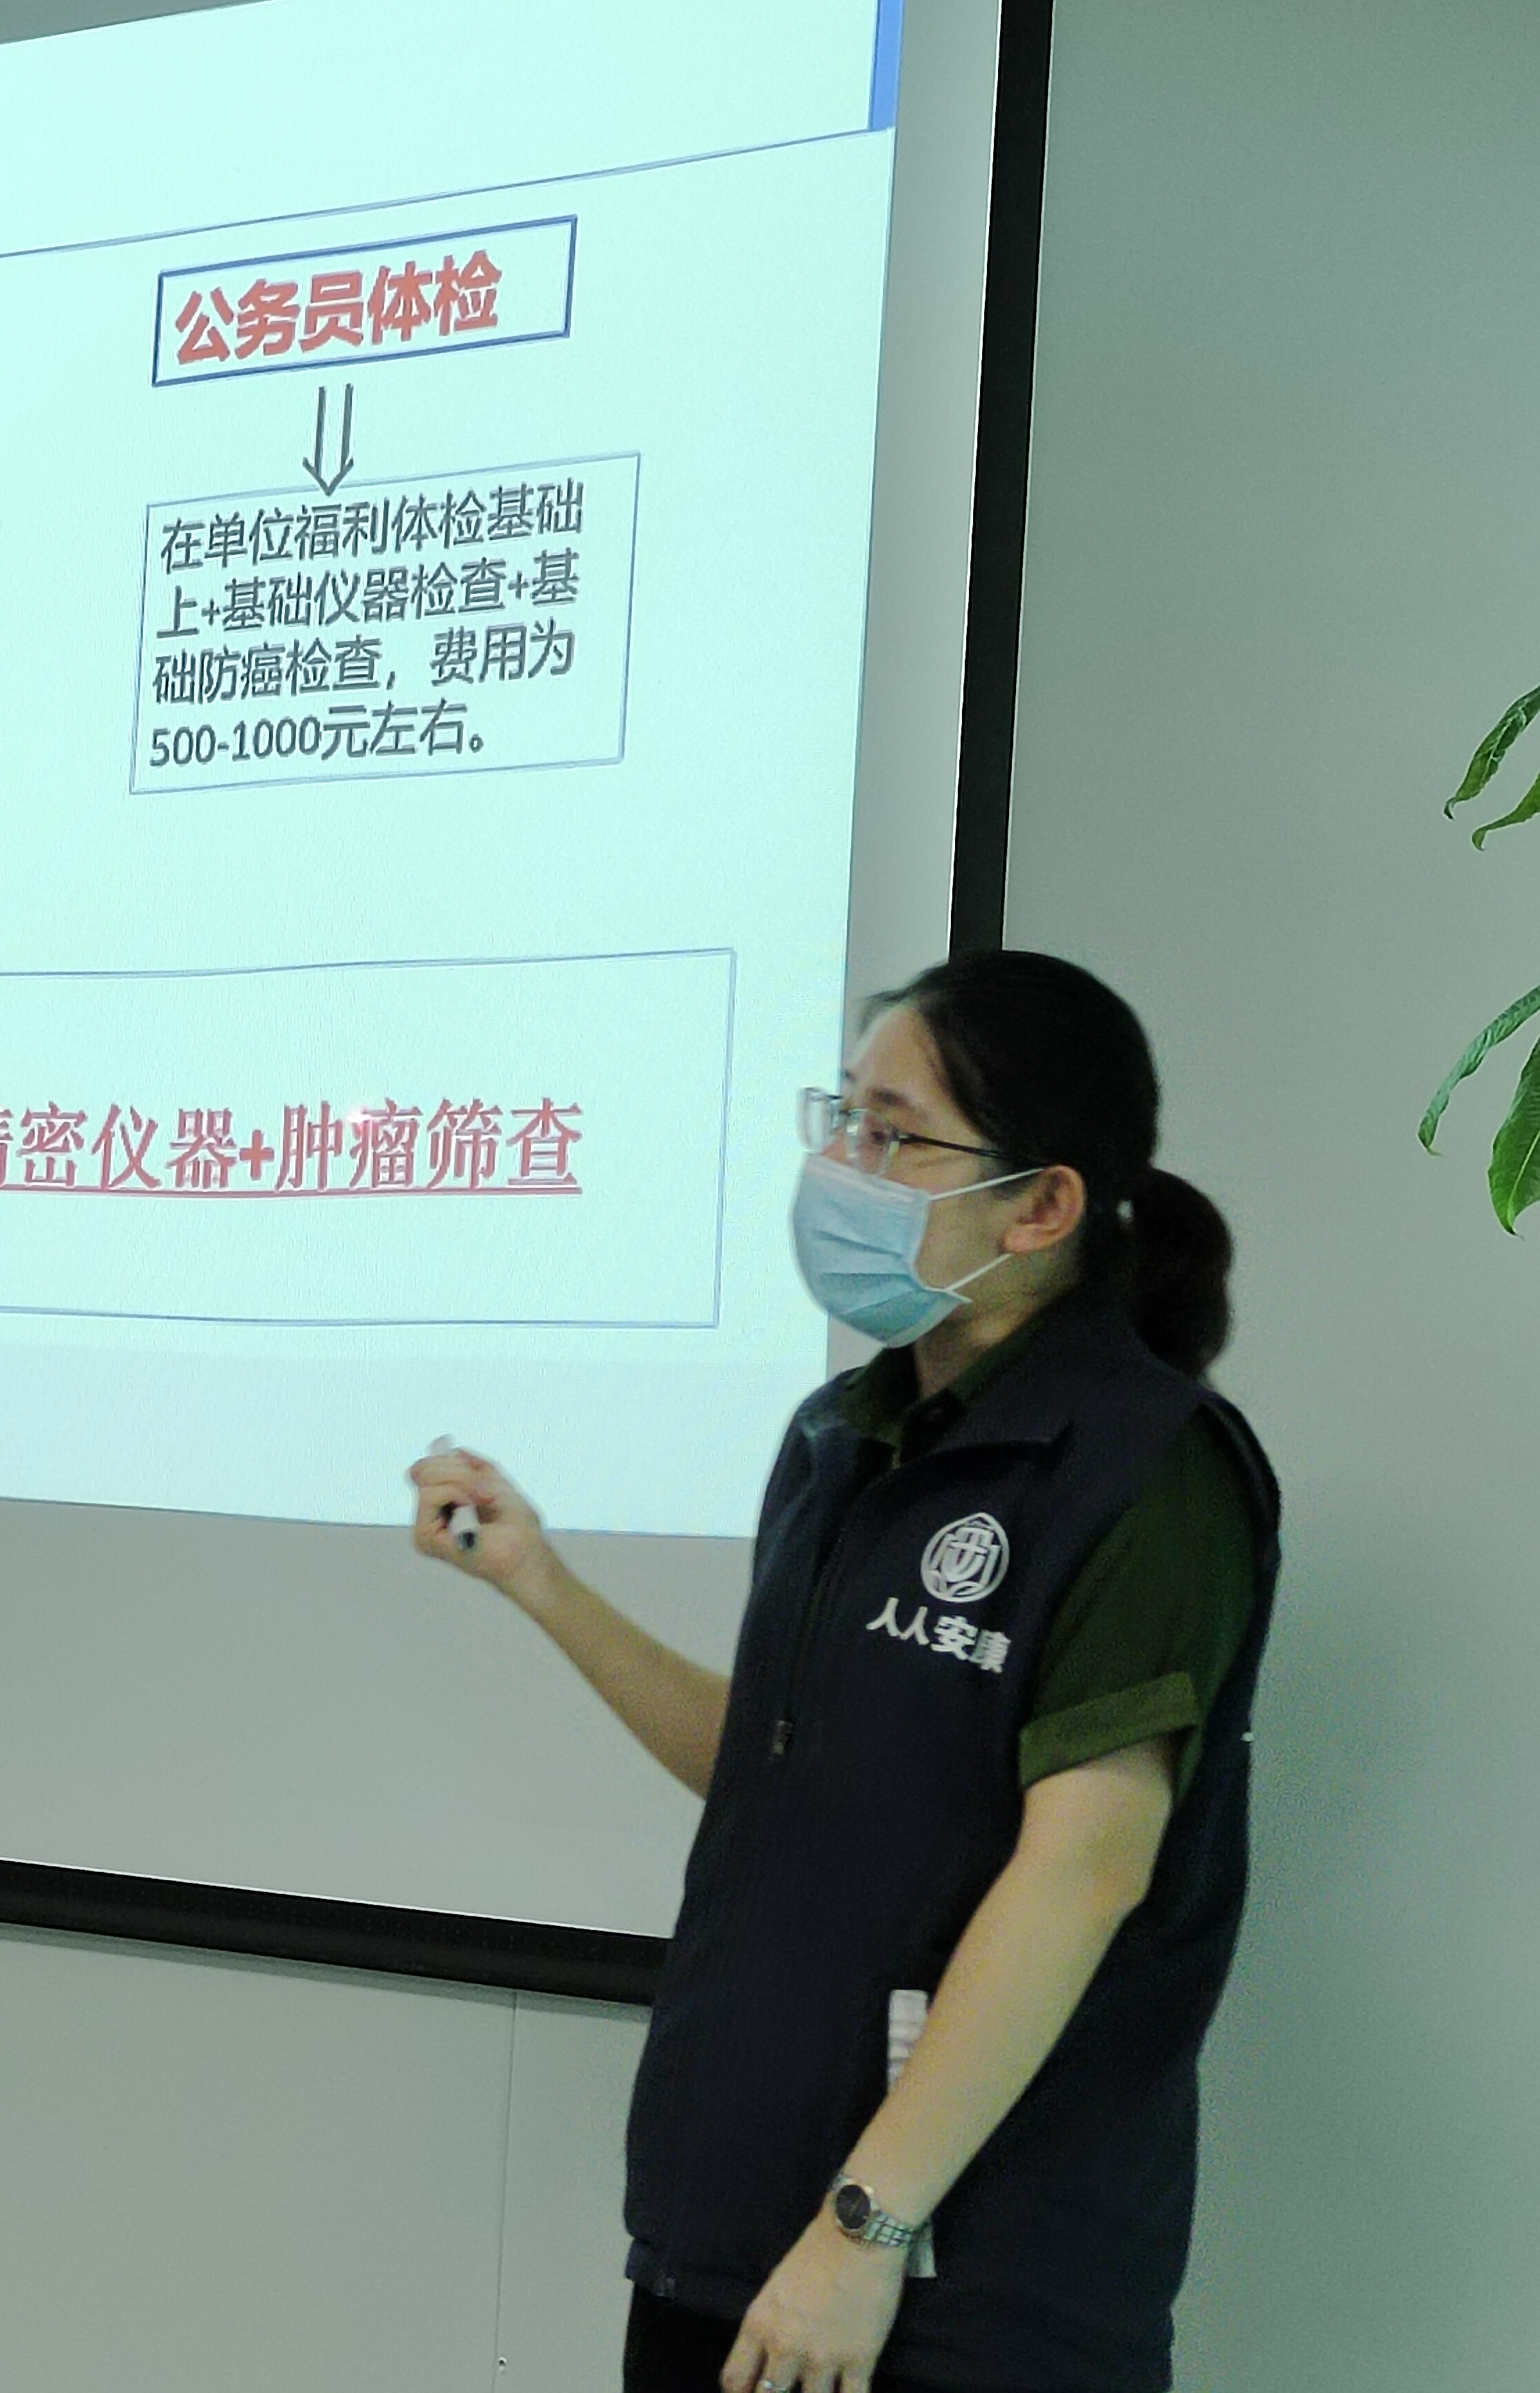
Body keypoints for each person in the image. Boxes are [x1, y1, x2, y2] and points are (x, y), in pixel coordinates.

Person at [411, 952, 1278, 2393]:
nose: (844, 1168)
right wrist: (540, 1582)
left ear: (1042, 1205)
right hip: (731, 2238)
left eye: (897, 1134)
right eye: (844, 1118)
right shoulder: (841, 1436)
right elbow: (777, 1764)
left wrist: (866, 2228)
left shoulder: (1144, 1470)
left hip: (956, 2285)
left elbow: (1084, 1875)